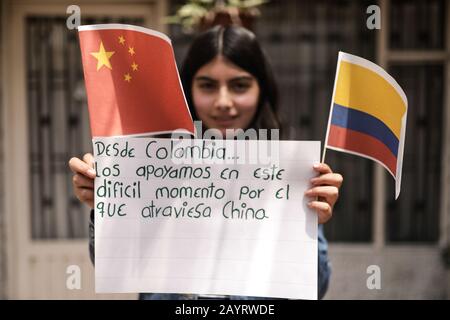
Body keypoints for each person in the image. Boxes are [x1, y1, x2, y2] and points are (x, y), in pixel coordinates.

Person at [69, 25, 343, 300]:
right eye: (208, 86)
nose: (223, 102)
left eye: (239, 85)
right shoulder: (153, 168)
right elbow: (119, 263)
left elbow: (316, 288)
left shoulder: (290, 174)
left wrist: (309, 227)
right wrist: (106, 206)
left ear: (262, 90)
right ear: (187, 89)